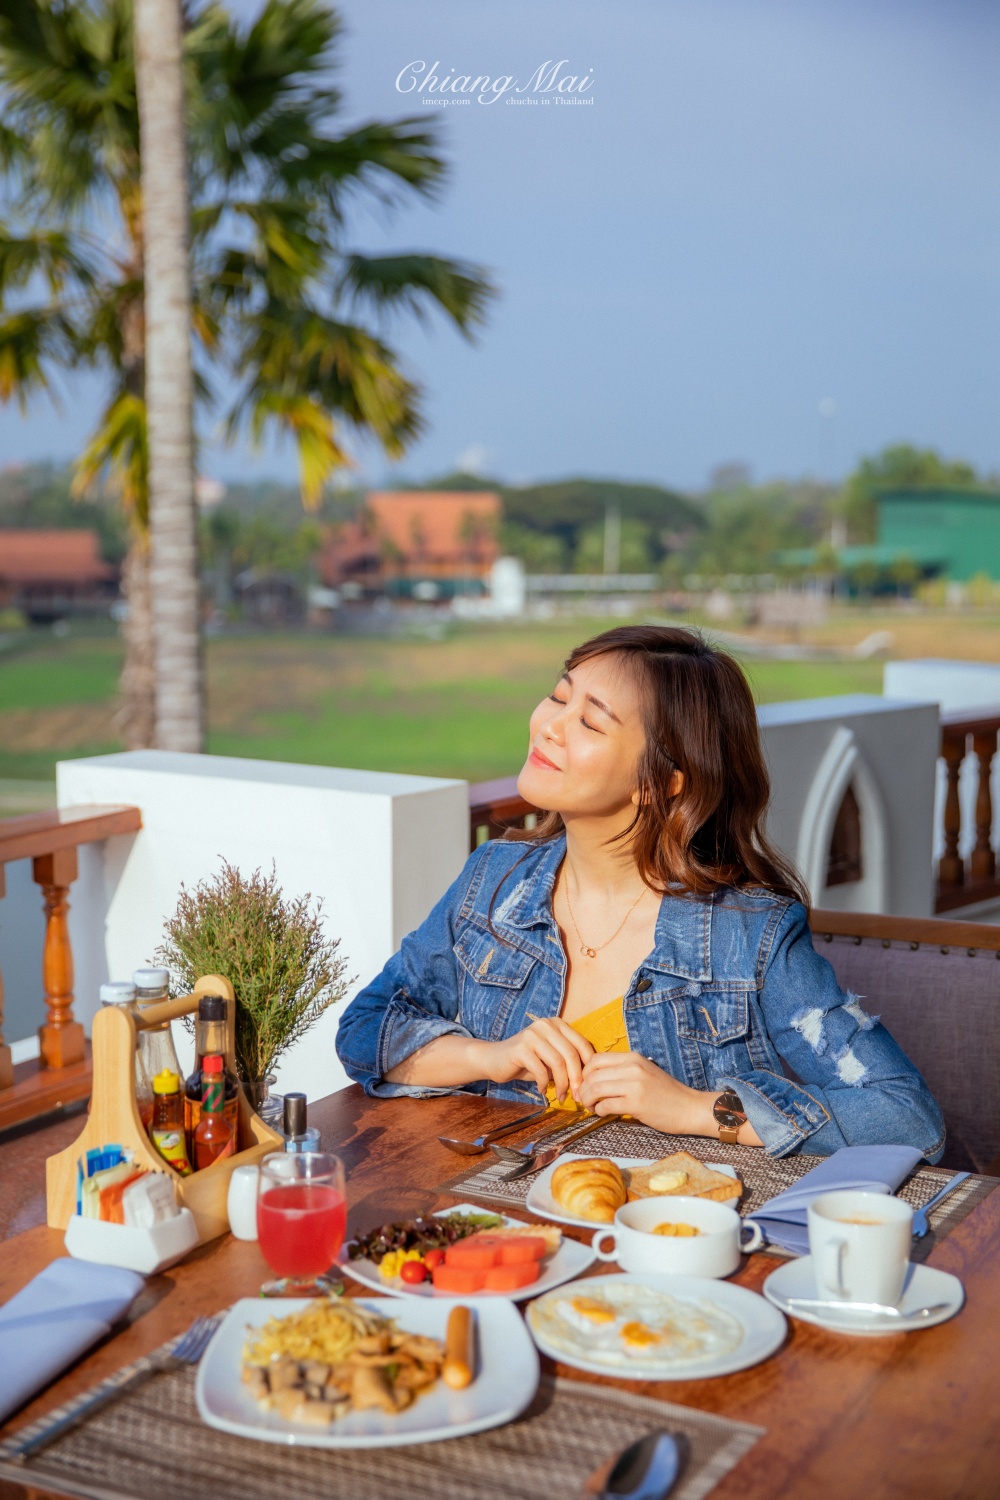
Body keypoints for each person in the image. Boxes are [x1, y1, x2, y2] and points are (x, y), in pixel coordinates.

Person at [337, 625, 944, 1160]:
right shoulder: (493, 881)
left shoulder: (749, 933)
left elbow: (908, 1118)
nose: (549, 726)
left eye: (591, 721)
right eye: (558, 695)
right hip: (493, 1221)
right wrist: (487, 1057)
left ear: (661, 782)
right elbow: (365, 1029)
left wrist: (697, 1110)